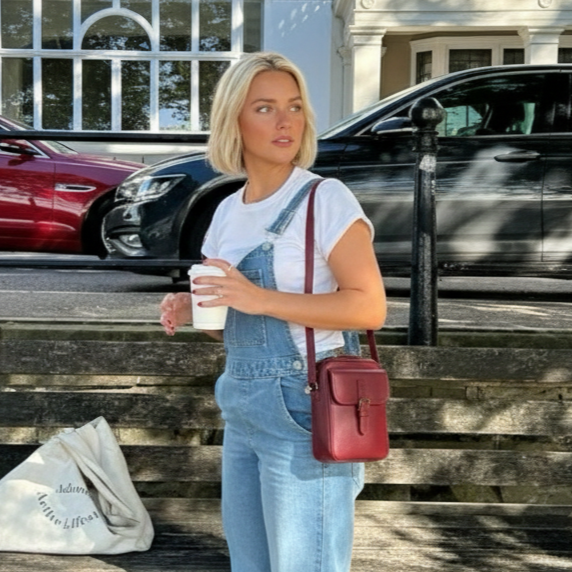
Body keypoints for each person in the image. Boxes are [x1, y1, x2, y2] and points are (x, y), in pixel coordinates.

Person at [159, 52, 386, 572]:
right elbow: (236, 332)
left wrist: (256, 297)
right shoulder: (226, 212)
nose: (285, 121)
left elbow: (369, 307)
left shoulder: (325, 199)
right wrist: (196, 310)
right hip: (242, 407)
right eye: (264, 108)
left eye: (295, 106)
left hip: (303, 405)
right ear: (233, 120)